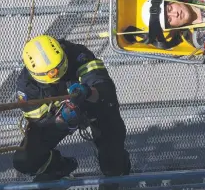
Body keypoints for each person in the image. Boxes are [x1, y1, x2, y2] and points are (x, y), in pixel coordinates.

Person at [13, 35, 131, 183]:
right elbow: (37, 121)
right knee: (25, 160)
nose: (56, 73)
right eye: (51, 73)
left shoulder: (78, 54)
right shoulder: (26, 87)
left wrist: (87, 92)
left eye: (60, 67)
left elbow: (104, 89)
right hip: (57, 120)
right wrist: (60, 121)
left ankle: (116, 175)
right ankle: (59, 168)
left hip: (92, 105)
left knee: (113, 161)